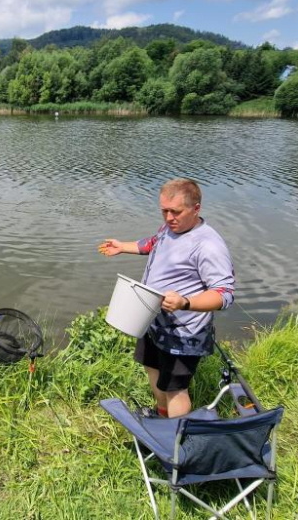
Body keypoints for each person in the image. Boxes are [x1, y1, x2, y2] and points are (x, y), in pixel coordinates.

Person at [98, 178, 235, 418]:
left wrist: (186, 302)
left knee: (175, 389)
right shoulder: (169, 229)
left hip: (184, 333)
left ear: (196, 208)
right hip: (153, 321)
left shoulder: (208, 245)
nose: (169, 217)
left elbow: (224, 294)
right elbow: (153, 242)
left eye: (176, 212)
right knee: (152, 368)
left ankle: (177, 443)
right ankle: (162, 418)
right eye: (164, 211)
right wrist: (123, 246)